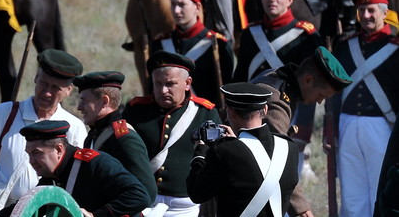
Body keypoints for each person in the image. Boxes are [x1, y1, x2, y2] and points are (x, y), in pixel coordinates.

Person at [0, 49, 87, 217]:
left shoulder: (74, 127)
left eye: (55, 88)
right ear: (36, 78)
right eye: (44, 83)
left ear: (68, 90)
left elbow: (76, 181)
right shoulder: (3, 114)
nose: (46, 92)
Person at [253, 46, 352, 217]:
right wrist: (302, 209)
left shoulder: (284, 82)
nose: (320, 101)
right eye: (322, 94)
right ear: (308, 80)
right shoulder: (275, 97)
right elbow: (278, 160)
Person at [327, 0, 399, 217]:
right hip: (347, 124)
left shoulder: (396, 47)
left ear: (384, 12)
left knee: (380, 189)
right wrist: (330, 128)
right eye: (361, 10)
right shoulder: (345, 45)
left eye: (371, 10)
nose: (366, 15)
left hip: (383, 126)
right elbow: (333, 92)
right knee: (351, 193)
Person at [123, 51, 221, 217]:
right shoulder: (136, 110)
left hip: (185, 206)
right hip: (144, 202)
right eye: (157, 83)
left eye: (170, 84)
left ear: (187, 83)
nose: (163, 90)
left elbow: (216, 158)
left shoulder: (205, 113)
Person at [234, 0, 322, 148]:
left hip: (289, 110)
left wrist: (303, 125)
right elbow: (240, 76)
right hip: (252, 112)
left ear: (290, 0)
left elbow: (312, 86)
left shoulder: (306, 36)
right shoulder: (250, 34)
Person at [0, 120, 151, 217]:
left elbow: (139, 196)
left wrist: (97, 215)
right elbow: (28, 206)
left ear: (59, 149)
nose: (31, 161)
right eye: (29, 154)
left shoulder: (95, 163)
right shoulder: (52, 177)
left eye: (37, 153)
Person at [187, 83, 300, 217]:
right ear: (265, 109)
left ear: (230, 112)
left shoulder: (224, 151)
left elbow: (196, 193)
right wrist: (237, 143)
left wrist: (200, 150)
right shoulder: (290, 147)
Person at [74, 70, 157, 202]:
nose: (79, 107)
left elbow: (147, 193)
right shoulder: (94, 134)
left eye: (84, 101)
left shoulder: (124, 139)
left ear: (104, 101)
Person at [152, 0, 233, 108]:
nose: (176, 10)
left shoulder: (217, 44)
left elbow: (227, 88)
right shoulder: (160, 44)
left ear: (197, 7)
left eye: (182, 4)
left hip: (205, 115)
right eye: (173, 4)